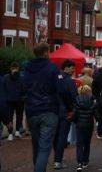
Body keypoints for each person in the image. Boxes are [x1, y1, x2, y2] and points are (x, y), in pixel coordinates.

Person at [23, 42, 73, 172]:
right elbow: (61, 90)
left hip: (32, 111)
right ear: (45, 53)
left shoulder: (27, 68)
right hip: (49, 110)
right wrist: (69, 108)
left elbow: (23, 88)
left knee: (36, 145)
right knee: (44, 146)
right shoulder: (52, 68)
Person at [54, 59, 78, 170]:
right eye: (72, 68)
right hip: (65, 111)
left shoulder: (55, 78)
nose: (74, 70)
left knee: (56, 135)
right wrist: (71, 110)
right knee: (62, 136)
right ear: (66, 68)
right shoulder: (70, 81)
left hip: (53, 110)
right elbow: (73, 97)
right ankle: (58, 160)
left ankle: (57, 158)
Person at [73, 85, 97, 171]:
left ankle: (79, 163)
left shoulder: (76, 100)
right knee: (87, 143)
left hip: (79, 124)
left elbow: (75, 113)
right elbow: (95, 113)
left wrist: (75, 121)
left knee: (79, 144)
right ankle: (85, 160)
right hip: (89, 124)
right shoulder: (92, 101)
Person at [2, 62, 25, 140]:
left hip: (9, 100)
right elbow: (24, 88)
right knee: (19, 115)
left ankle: (10, 134)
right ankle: (17, 131)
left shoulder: (6, 77)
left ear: (11, 68)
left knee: (9, 116)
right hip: (19, 100)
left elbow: (3, 88)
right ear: (18, 68)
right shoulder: (22, 77)